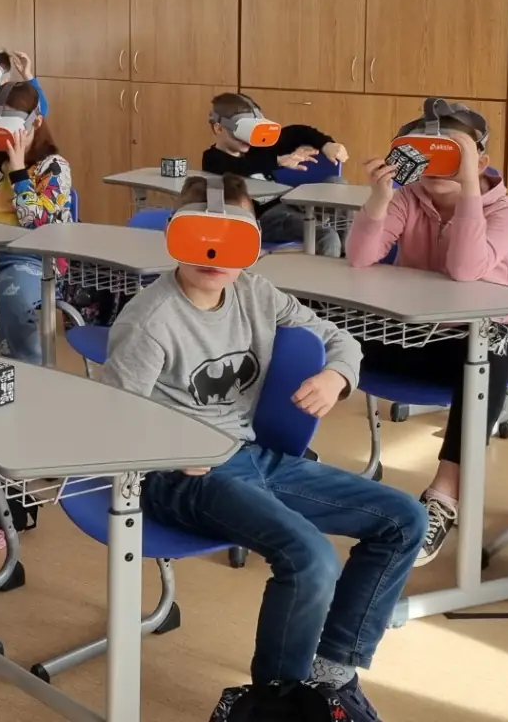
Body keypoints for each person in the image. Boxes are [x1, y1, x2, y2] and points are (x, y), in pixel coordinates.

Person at [103, 175, 424, 715]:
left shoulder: (255, 293)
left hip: (252, 458)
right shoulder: (151, 320)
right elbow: (112, 419)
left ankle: (330, 674)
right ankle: (275, 705)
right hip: (182, 476)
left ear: (252, 242)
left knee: (404, 519)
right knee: (311, 558)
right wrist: (172, 450)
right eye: (201, 236)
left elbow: (337, 338)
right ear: (176, 235)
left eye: (233, 239)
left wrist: (337, 377)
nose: (214, 255)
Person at [346, 98, 508, 567]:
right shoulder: (410, 199)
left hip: (480, 341)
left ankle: (444, 497)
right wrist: (380, 197)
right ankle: (281, 458)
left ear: (480, 162)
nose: (435, 166)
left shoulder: (506, 212)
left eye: (450, 154)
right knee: (317, 326)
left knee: (487, 352)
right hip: (414, 334)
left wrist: (468, 186)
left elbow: (465, 270)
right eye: (424, 154)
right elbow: (361, 257)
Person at [0, 81, 74, 362]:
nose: (8, 139)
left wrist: (19, 171)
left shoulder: (54, 167)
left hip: (34, 257)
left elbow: (36, 224)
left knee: (11, 298)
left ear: (36, 122)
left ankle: (28, 368)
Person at [202, 92, 348, 255]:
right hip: (266, 219)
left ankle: (349, 254)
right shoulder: (212, 158)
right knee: (326, 236)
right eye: (240, 131)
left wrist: (326, 144)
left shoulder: (258, 148)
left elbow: (298, 132)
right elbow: (238, 167)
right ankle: (330, 269)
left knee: (337, 184)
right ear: (219, 128)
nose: (246, 139)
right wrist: (278, 161)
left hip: (288, 202)